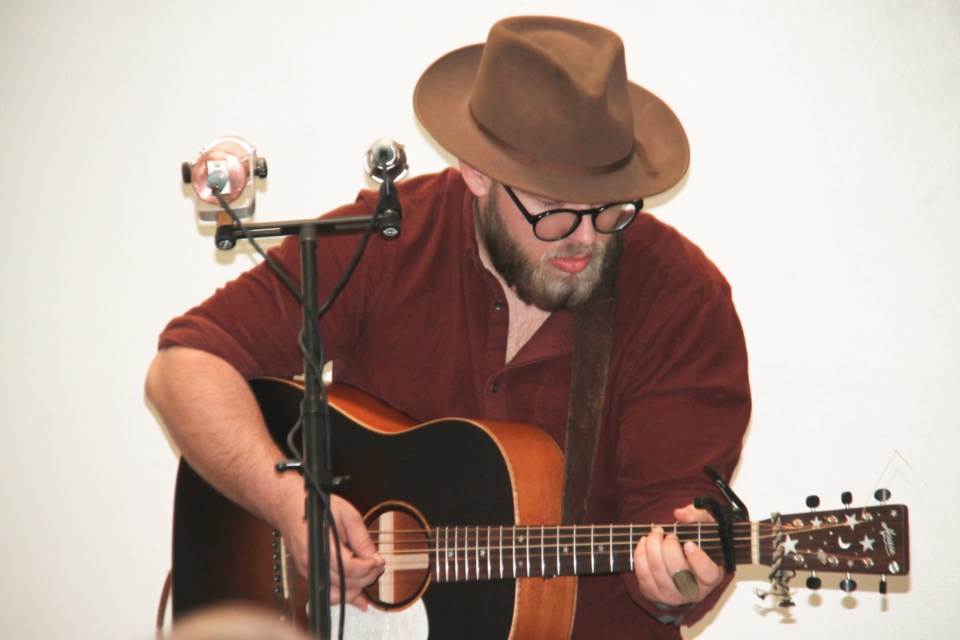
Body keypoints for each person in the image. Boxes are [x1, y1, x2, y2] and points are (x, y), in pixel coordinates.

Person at [146, 15, 750, 639]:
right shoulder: (390, 240)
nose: (585, 238)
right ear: (477, 173)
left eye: (609, 209)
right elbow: (184, 365)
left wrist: (682, 575)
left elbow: (676, 532)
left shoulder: (682, 301)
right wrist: (290, 505)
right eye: (552, 210)